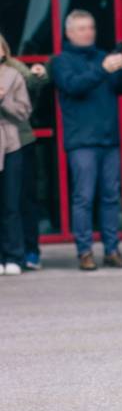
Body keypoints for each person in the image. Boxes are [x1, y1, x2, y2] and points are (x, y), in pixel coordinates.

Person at [50, 10, 122, 271]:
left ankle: (112, 249)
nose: (88, 33)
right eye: (82, 28)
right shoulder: (61, 61)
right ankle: (84, 251)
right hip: (81, 141)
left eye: (91, 27)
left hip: (109, 139)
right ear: (69, 32)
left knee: (110, 197)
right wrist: (103, 69)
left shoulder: (102, 57)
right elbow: (74, 86)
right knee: (84, 197)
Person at [6, 53, 49, 270]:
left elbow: (31, 88)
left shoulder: (15, 69)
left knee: (23, 198)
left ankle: (29, 250)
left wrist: (38, 76)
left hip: (20, 142)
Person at [0, 33, 32, 275]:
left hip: (11, 144)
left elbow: (24, 112)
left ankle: (14, 256)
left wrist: (3, 100)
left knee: (11, 203)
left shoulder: (14, 76)